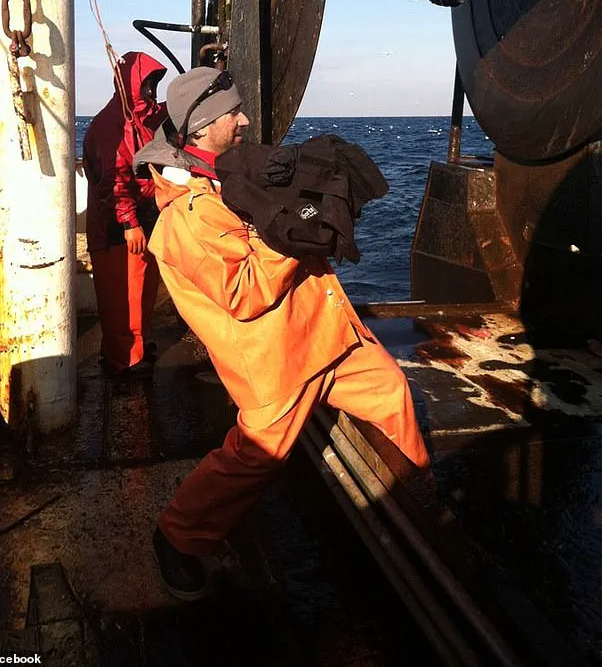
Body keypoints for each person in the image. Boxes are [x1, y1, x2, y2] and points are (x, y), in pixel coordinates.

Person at [134, 66, 429, 600]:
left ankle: (414, 513)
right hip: (274, 360)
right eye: (233, 114)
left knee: (390, 391)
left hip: (327, 331)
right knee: (253, 458)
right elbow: (245, 291)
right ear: (201, 129)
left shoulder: (227, 172)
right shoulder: (186, 218)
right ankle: (178, 535)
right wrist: (293, 231)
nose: (246, 120)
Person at [83, 51, 167, 376]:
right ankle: (124, 361)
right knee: (122, 297)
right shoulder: (111, 125)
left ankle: (137, 346)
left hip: (143, 219)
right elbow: (111, 182)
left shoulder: (141, 119)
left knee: (142, 290)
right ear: (131, 85)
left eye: (154, 86)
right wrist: (130, 223)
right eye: (147, 85)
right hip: (116, 228)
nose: (151, 93)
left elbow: (161, 119)